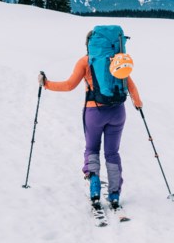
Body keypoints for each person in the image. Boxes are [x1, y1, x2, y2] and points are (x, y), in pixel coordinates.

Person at [39, 34, 142, 209]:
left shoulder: (85, 61)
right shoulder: (118, 60)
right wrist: (138, 103)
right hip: (118, 112)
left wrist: (46, 84)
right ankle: (114, 194)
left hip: (94, 112)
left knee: (92, 148)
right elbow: (130, 85)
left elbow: (69, 85)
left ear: (89, 44)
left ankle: (94, 187)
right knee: (112, 153)